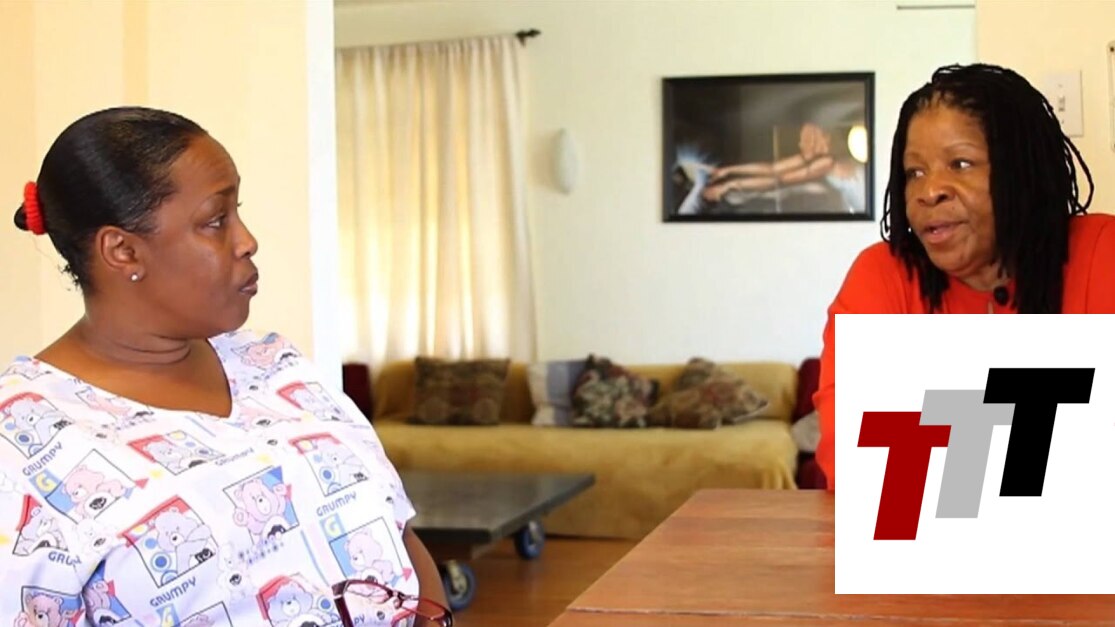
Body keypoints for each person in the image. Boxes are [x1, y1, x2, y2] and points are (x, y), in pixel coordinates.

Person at [0, 107, 451, 626]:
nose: (247, 240)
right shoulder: (22, 437)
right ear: (123, 251)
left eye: (238, 212)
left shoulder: (276, 366)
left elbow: (396, 530)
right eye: (216, 220)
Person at [813, 63, 1115, 491]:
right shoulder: (880, 277)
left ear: (1021, 172)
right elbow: (860, 468)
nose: (929, 191)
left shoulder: (1103, 255)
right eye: (914, 172)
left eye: (960, 163)